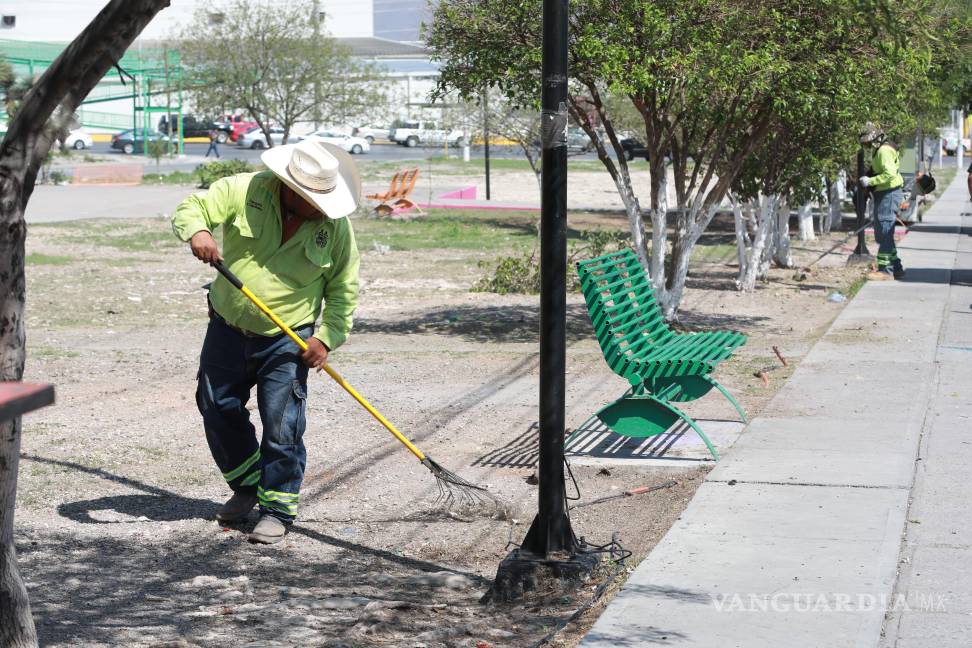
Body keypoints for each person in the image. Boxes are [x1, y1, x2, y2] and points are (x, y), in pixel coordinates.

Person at [171, 140, 361, 544]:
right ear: (290, 188)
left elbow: (344, 289)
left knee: (282, 425)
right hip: (227, 327)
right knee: (216, 406)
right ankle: (248, 485)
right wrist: (199, 230)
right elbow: (194, 207)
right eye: (314, 199)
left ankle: (277, 509)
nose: (321, 208)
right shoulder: (244, 190)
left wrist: (326, 339)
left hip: (288, 339)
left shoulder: (335, 227)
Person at [858, 123, 905, 280]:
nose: (867, 146)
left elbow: (889, 174)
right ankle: (896, 267)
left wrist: (870, 181)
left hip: (888, 193)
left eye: (868, 142)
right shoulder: (883, 148)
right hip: (886, 193)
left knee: (885, 231)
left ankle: (886, 270)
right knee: (884, 233)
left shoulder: (884, 151)